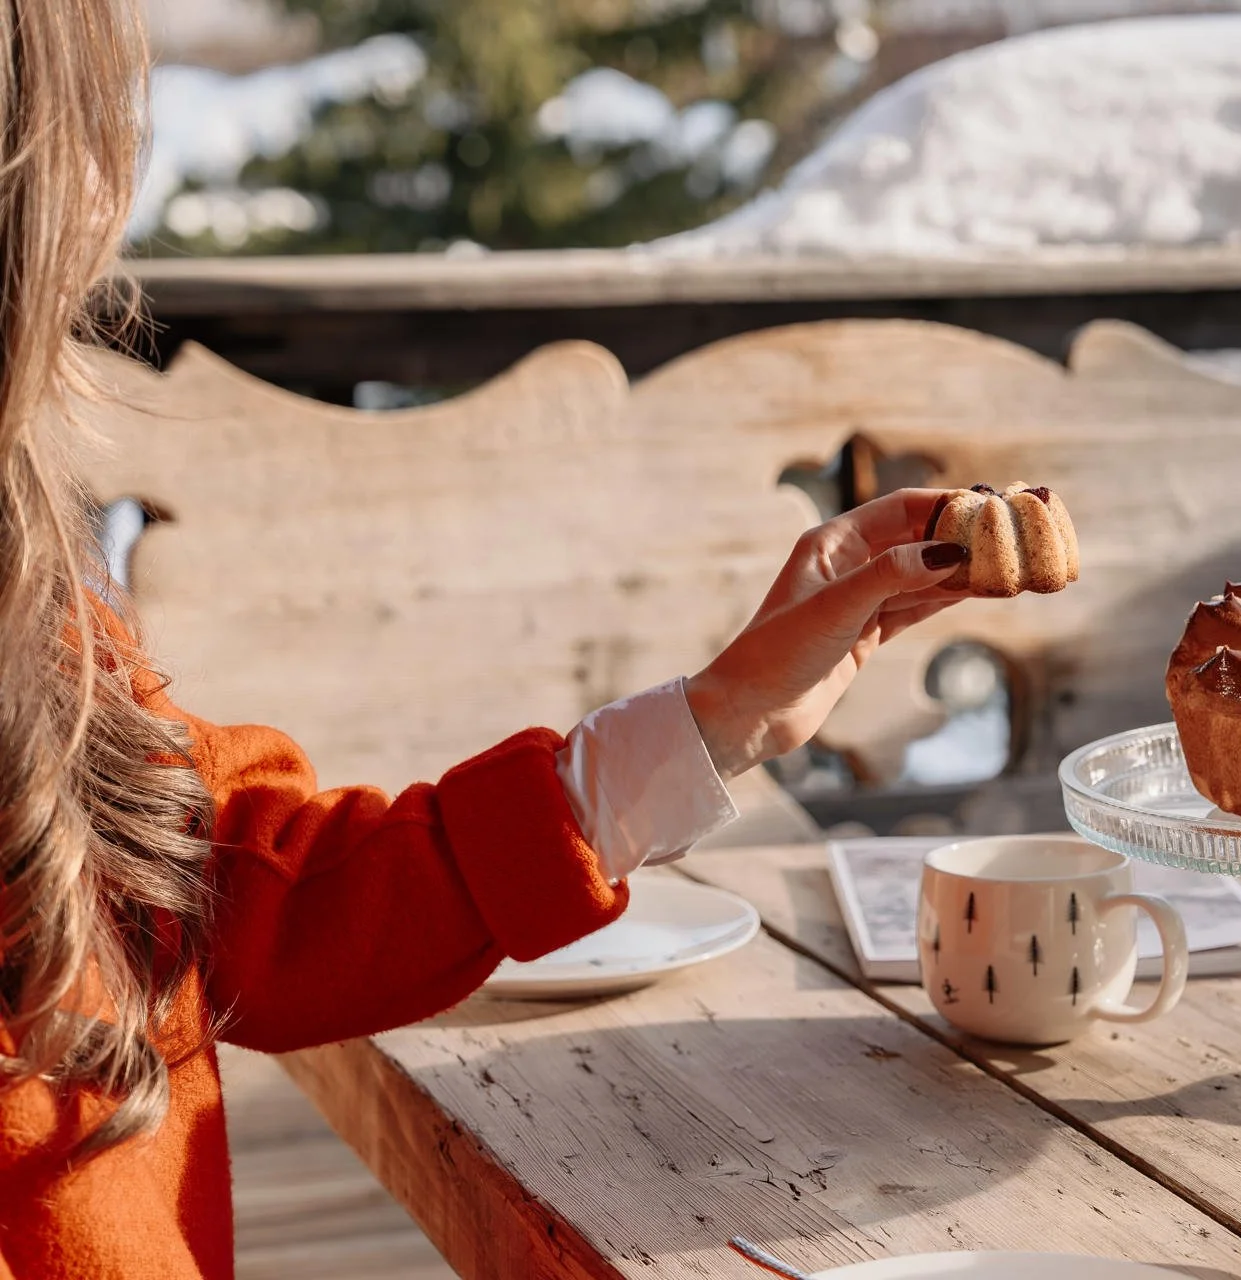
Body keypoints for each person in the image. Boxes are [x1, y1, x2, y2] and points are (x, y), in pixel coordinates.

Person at [0, 5, 974, 1276]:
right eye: (82, 131)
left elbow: (232, 884)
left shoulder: (33, 596)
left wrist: (714, 720)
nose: (104, 202)